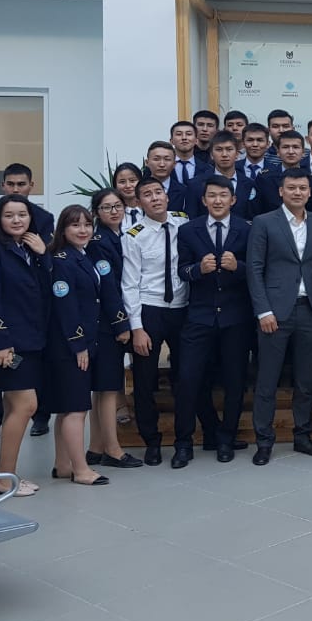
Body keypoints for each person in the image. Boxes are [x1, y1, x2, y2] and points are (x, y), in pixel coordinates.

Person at [246, 169, 312, 464]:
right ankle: (264, 441)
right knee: (267, 381)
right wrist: (263, 310)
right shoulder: (264, 222)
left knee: (305, 379)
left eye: (302, 188)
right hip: (274, 312)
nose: (297, 192)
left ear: (309, 192)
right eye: (292, 188)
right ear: (281, 191)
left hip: (310, 310)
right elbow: (254, 269)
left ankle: (303, 436)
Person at [0, 193, 52, 496]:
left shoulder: (29, 247)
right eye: (9, 215)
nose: (17, 220)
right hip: (8, 345)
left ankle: (7, 474)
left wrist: (44, 254)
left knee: (14, 408)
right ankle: (4, 480)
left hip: (31, 341)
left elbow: (45, 289)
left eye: (22, 214)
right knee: (26, 405)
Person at [176, 176, 252, 465]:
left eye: (223, 195)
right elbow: (181, 270)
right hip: (199, 315)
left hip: (235, 317)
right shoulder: (188, 230)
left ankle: (226, 438)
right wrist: (198, 269)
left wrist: (238, 267)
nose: (218, 200)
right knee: (188, 379)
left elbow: (257, 270)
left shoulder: (247, 229)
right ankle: (184, 443)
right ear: (203, 200)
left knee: (235, 381)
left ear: (233, 200)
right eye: (212, 195)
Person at [121, 177, 189, 466]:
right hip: (150, 310)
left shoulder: (184, 223)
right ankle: (151, 440)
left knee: (185, 377)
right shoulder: (133, 235)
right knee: (145, 380)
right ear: (138, 203)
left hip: (183, 308)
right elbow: (129, 284)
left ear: (167, 196)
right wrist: (137, 328)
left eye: (158, 192)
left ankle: (184, 441)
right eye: (147, 195)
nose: (155, 198)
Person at [44, 205, 108, 486]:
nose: (83, 230)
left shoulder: (82, 255)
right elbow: (65, 306)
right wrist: (78, 344)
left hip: (78, 343)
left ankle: (63, 465)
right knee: (77, 409)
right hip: (69, 346)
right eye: (75, 225)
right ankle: (81, 470)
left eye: (87, 225)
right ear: (63, 229)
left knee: (67, 407)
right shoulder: (62, 260)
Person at [84, 187, 139, 468]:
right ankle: (113, 450)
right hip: (107, 322)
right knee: (107, 387)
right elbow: (108, 287)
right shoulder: (99, 242)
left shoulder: (123, 235)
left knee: (104, 387)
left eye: (118, 206)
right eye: (106, 207)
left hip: (113, 319)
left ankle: (95, 447)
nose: (114, 211)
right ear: (96, 213)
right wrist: (121, 324)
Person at [186, 131, 257, 220]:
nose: (224, 154)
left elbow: (253, 217)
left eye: (229, 149)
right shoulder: (195, 184)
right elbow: (191, 219)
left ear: (237, 154)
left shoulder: (249, 184)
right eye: (219, 150)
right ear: (211, 155)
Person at [256, 129, 306, 213]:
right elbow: (256, 210)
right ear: (278, 152)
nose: (291, 152)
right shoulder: (264, 179)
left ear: (303, 152)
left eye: (295, 147)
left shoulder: (311, 179)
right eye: (285, 147)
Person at [144, 140, 187, 214]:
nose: (162, 164)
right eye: (156, 159)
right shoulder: (138, 190)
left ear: (174, 164)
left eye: (167, 159)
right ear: (147, 163)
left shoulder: (185, 191)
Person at [112, 162, 145, 229]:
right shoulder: (112, 212)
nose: (128, 186)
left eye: (132, 181)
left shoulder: (150, 209)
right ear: (115, 185)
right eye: (122, 182)